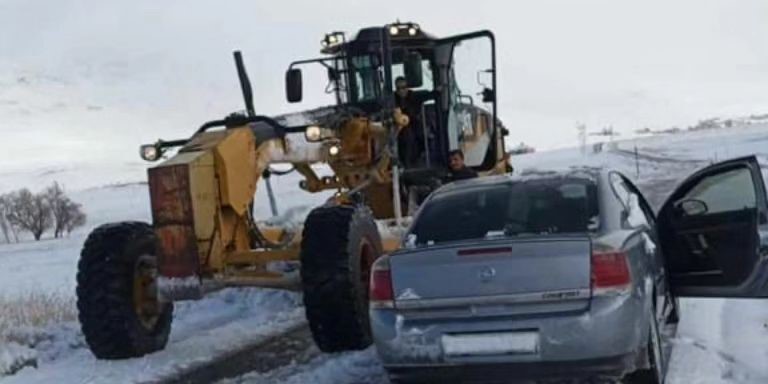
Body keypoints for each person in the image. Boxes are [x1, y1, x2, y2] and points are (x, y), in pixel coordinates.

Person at [394, 76, 431, 167]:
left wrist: (438, 91)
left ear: (407, 87)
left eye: (404, 87)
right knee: (406, 136)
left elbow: (428, 95)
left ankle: (417, 159)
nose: (401, 90)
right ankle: (405, 163)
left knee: (425, 135)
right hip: (397, 127)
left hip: (415, 124)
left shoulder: (414, 96)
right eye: (399, 88)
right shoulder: (393, 99)